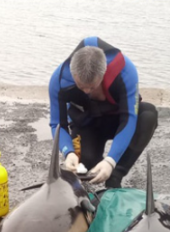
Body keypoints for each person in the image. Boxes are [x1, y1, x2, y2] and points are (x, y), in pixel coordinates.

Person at [48, 37, 158, 188]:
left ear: (103, 73)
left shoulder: (125, 70)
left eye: (92, 87)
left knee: (148, 115)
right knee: (83, 166)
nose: (86, 91)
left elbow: (129, 118)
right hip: (88, 123)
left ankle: (115, 176)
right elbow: (57, 124)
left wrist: (110, 161)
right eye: (81, 86)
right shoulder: (59, 80)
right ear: (74, 75)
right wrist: (68, 152)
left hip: (118, 121)